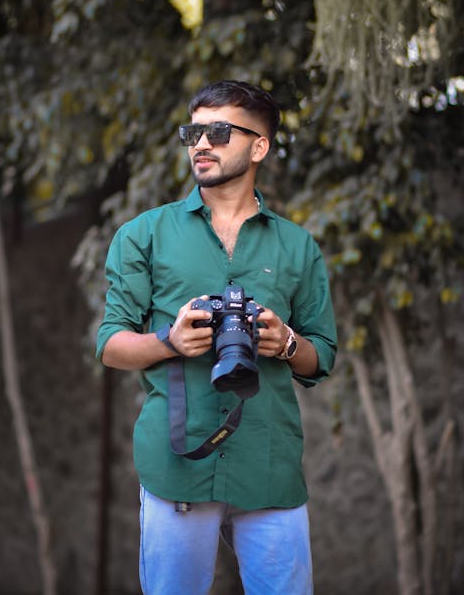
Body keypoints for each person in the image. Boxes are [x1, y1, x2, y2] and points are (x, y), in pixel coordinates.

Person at [96, 80, 337, 595]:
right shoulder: (144, 234)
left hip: (268, 467)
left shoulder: (297, 246)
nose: (200, 144)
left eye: (218, 132)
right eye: (193, 132)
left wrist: (287, 344)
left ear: (259, 146)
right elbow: (111, 345)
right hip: (176, 465)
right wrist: (170, 341)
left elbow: (323, 358)